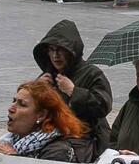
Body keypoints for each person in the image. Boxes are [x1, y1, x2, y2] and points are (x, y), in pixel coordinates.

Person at [32, 19, 113, 153]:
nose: (55, 55)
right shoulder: (47, 76)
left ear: (71, 51)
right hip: (54, 142)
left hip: (88, 145)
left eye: (61, 50)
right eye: (51, 50)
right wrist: (36, 90)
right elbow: (27, 108)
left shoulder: (91, 73)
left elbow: (103, 105)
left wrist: (74, 92)